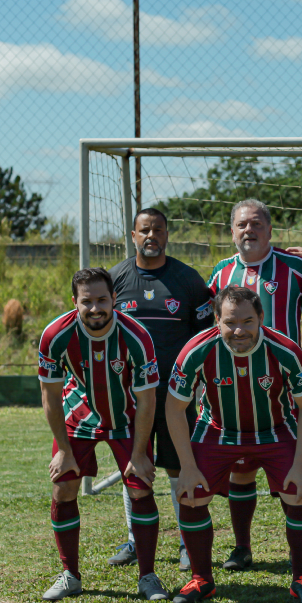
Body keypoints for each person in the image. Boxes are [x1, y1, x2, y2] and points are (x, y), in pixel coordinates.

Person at [164, 286, 302, 603]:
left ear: (261, 318)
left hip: (275, 429)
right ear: (216, 321)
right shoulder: (196, 349)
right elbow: (174, 408)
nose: (239, 330)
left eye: (248, 321)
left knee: (300, 491)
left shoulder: (285, 349)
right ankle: (201, 579)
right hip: (218, 430)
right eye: (230, 322)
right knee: (191, 493)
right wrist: (188, 467)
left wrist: (301, 463)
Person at [38, 267, 167, 602]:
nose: (95, 308)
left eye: (102, 300)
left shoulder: (137, 337)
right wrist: (63, 450)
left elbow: (147, 398)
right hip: (78, 416)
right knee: (64, 486)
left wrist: (139, 453)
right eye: (87, 301)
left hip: (127, 419)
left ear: (114, 300)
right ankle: (70, 575)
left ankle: (148, 577)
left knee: (141, 488)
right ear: (74, 302)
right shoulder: (56, 335)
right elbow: (50, 396)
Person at [206, 199, 302, 573]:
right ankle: (241, 547)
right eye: (241, 225)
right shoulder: (220, 273)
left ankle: (300, 555)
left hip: (286, 388)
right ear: (231, 231)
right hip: (235, 388)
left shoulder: (297, 267)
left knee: (295, 470)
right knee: (241, 469)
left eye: (256, 224)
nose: (248, 230)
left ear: (270, 230)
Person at [107, 208, 213, 572]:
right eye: (144, 230)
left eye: (158, 230)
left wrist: (197, 383)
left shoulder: (188, 281)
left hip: (174, 396)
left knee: (178, 466)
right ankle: (138, 539)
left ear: (167, 234)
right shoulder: (115, 279)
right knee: (134, 465)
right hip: (129, 397)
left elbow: (203, 338)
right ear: (133, 236)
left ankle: (186, 542)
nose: (151, 236)